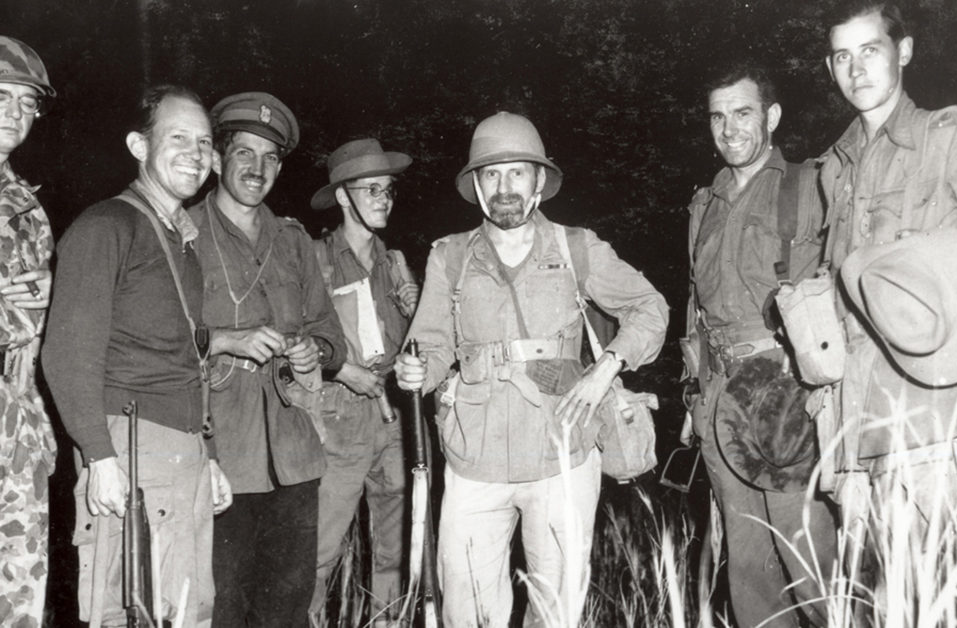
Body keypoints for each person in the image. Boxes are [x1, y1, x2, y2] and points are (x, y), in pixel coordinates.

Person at [394, 111, 668, 626]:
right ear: (476, 186)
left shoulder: (577, 248)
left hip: (561, 454)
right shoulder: (448, 257)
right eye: (491, 174)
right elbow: (428, 347)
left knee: (556, 611)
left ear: (540, 180)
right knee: (469, 610)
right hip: (474, 460)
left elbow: (651, 309)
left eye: (517, 172)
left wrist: (606, 367)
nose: (504, 187)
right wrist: (414, 372)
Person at [43, 85, 233, 627]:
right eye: (178, 138)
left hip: (184, 452)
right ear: (138, 145)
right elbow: (65, 354)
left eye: (204, 142)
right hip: (130, 447)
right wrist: (99, 457)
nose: (196, 154)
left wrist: (210, 453)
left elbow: (185, 357)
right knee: (128, 610)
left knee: (188, 607)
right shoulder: (107, 227)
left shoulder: (182, 242)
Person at [681, 64, 837, 628]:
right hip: (719, 399)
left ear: (770, 116)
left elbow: (836, 286)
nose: (729, 129)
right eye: (718, 117)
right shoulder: (705, 203)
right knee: (748, 575)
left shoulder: (807, 185)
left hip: (785, 391)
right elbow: (697, 304)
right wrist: (694, 396)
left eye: (742, 113)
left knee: (810, 563)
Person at [187, 92, 346, 627]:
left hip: (295, 456)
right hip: (219, 453)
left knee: (286, 609)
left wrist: (313, 349)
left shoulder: (294, 241)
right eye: (245, 153)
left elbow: (331, 337)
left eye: (270, 158)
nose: (258, 169)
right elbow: (157, 340)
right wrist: (225, 338)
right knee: (222, 605)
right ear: (216, 159)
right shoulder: (183, 235)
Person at [821, 0, 957, 555]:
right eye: (842, 57)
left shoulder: (943, 138)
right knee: (878, 594)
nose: (856, 70)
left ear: (903, 52)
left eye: (870, 51)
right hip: (855, 420)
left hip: (933, 412)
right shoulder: (835, 167)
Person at [307, 138, 418, 627]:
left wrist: (418, 310)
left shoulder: (395, 264)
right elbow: (293, 339)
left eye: (388, 190)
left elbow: (416, 343)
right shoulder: (314, 259)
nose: (383, 199)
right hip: (337, 418)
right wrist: (339, 369)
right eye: (370, 189)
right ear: (343, 197)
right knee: (320, 551)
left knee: (393, 552)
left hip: (393, 417)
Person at [0, 36, 57, 627]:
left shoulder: (26, 203)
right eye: (3, 97)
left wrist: (50, 291)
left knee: (20, 588)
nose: (16, 113)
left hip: (14, 414)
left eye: (26, 102)